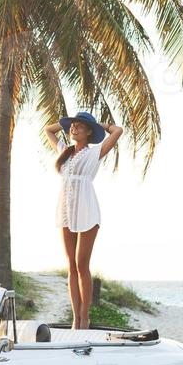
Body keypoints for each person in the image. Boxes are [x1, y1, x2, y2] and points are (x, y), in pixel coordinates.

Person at [44, 112, 123, 330]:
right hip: (67, 211)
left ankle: (84, 317)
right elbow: (48, 130)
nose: (74, 128)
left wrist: (97, 124)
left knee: (82, 264)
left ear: (89, 131)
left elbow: (118, 131)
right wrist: (64, 123)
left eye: (79, 126)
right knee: (71, 266)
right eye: (73, 126)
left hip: (87, 210)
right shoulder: (64, 152)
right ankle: (75, 318)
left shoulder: (94, 152)